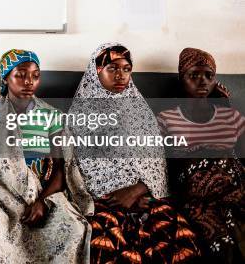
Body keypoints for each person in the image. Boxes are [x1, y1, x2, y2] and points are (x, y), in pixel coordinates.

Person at [68, 43, 200, 263]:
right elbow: (80, 166)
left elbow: (155, 161)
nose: (121, 75)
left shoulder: (139, 108)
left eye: (126, 69)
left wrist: (137, 190)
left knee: (178, 238)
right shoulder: (80, 114)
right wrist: (113, 194)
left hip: (145, 194)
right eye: (112, 68)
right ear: (96, 71)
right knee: (106, 243)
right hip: (103, 200)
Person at [0, 49, 93, 264]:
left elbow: (61, 169)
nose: (29, 81)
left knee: (73, 228)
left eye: (35, 75)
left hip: (45, 194)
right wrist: (15, 202)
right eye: (21, 74)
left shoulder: (51, 117)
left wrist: (42, 201)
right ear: (6, 78)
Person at [158, 48, 244, 262]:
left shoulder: (230, 115)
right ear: (182, 79)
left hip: (235, 188)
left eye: (209, 75)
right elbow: (160, 162)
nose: (202, 81)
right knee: (221, 238)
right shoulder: (166, 119)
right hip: (196, 196)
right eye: (193, 75)